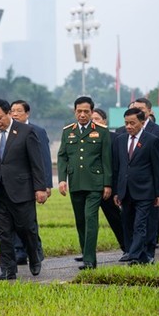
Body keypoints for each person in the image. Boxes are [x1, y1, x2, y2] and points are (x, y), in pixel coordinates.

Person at [0, 99, 47, 280]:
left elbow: (36, 163)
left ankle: (34, 255)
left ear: (8, 113)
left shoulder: (26, 132)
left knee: (27, 229)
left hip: (22, 190)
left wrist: (40, 188)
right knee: (3, 232)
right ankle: (8, 269)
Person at [57, 96, 112, 270]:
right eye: (79, 111)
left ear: (91, 112)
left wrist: (107, 184)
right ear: (74, 112)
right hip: (75, 182)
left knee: (90, 218)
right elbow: (62, 156)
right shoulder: (68, 131)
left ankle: (89, 259)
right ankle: (87, 255)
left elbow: (106, 159)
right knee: (80, 220)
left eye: (86, 111)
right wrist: (61, 180)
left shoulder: (102, 131)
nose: (82, 115)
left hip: (95, 183)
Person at [113, 108, 159, 264]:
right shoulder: (120, 140)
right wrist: (117, 191)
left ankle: (134, 256)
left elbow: (157, 168)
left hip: (145, 191)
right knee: (127, 224)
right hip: (125, 191)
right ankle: (138, 254)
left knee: (140, 224)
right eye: (126, 123)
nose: (129, 126)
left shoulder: (151, 140)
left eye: (132, 123)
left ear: (142, 122)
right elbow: (118, 168)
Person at [9, 100, 50, 265]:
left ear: (27, 113)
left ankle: (35, 249)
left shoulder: (37, 131)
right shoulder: (7, 130)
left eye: (19, 111)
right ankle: (19, 251)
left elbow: (44, 159)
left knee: (28, 220)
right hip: (11, 183)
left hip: (30, 182)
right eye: (12, 111)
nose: (15, 114)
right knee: (12, 220)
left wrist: (45, 184)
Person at [91, 108, 126, 258]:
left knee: (116, 218)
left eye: (97, 119)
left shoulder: (115, 138)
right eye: (92, 119)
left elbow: (119, 165)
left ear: (104, 121)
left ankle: (127, 247)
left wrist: (114, 188)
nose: (94, 122)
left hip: (108, 187)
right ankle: (88, 253)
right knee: (88, 221)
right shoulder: (83, 138)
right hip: (90, 186)